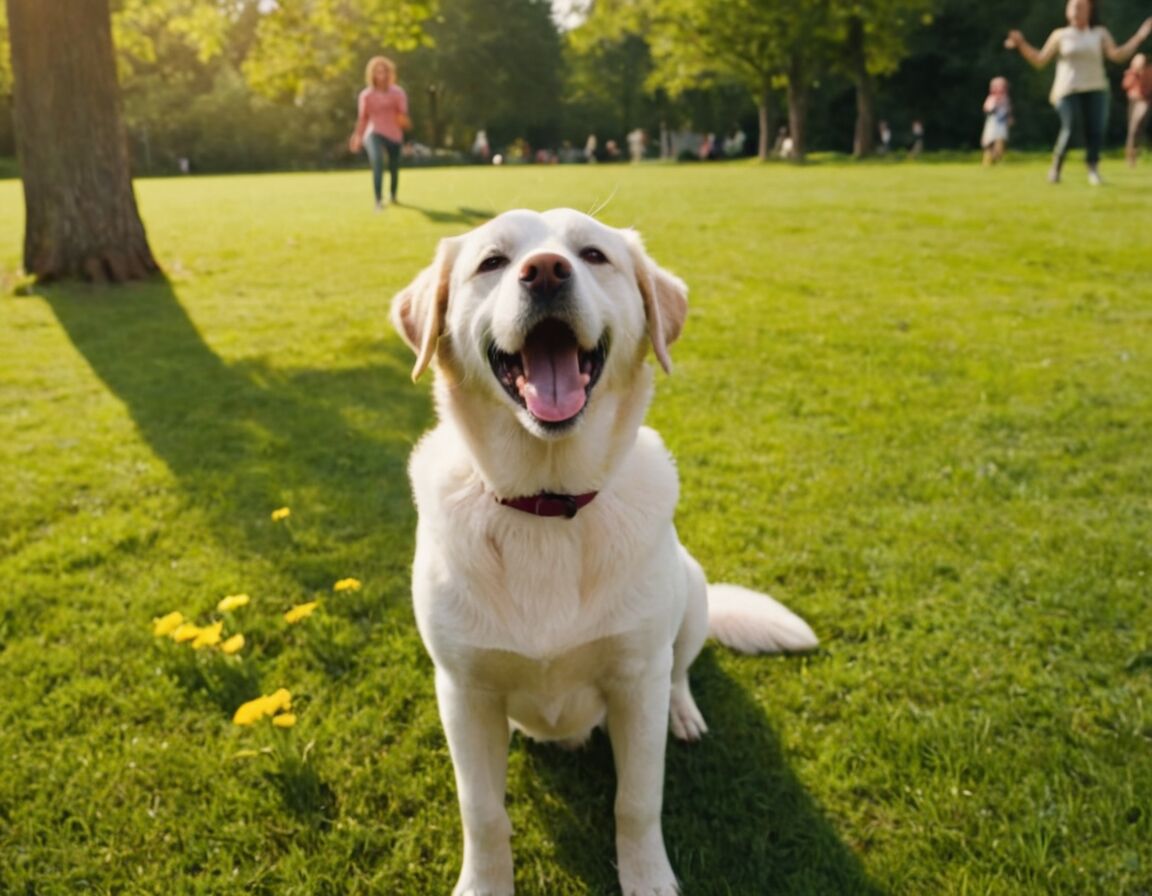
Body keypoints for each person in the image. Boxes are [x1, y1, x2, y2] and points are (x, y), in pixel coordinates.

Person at [1005, 0, 1152, 185]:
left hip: (1096, 87)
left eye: (1081, 7)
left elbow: (1118, 55)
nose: (1076, 11)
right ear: (1067, 11)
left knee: (1096, 130)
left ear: (1089, 11)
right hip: (1067, 89)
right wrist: (1021, 44)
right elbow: (1039, 60)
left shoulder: (1099, 33)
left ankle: (1093, 170)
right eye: (1073, 7)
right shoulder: (1060, 35)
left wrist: (1139, 36)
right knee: (1071, 125)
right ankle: (1056, 168)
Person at [349, 56, 410, 210]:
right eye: (378, 72)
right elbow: (362, 118)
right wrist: (357, 136)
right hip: (373, 132)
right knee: (377, 162)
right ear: (372, 74)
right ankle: (378, 200)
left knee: (394, 167)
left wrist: (404, 124)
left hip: (394, 134)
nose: (381, 75)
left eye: (384, 71)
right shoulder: (366, 95)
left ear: (389, 73)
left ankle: (393, 195)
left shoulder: (398, 93)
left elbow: (403, 116)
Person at [1122, 53, 1152, 165]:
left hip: (1144, 101)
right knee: (1132, 129)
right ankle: (1130, 157)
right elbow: (1125, 85)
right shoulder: (1131, 72)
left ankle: (1134, 153)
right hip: (1133, 101)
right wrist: (1134, 73)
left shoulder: (1149, 71)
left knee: (1137, 128)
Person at [981, 76, 1013, 165]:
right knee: (990, 141)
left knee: (1000, 141)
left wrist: (1009, 117)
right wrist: (994, 105)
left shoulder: (1006, 99)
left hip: (1002, 124)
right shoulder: (991, 98)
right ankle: (988, 159)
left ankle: (998, 158)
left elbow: (1008, 110)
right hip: (993, 123)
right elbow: (987, 109)